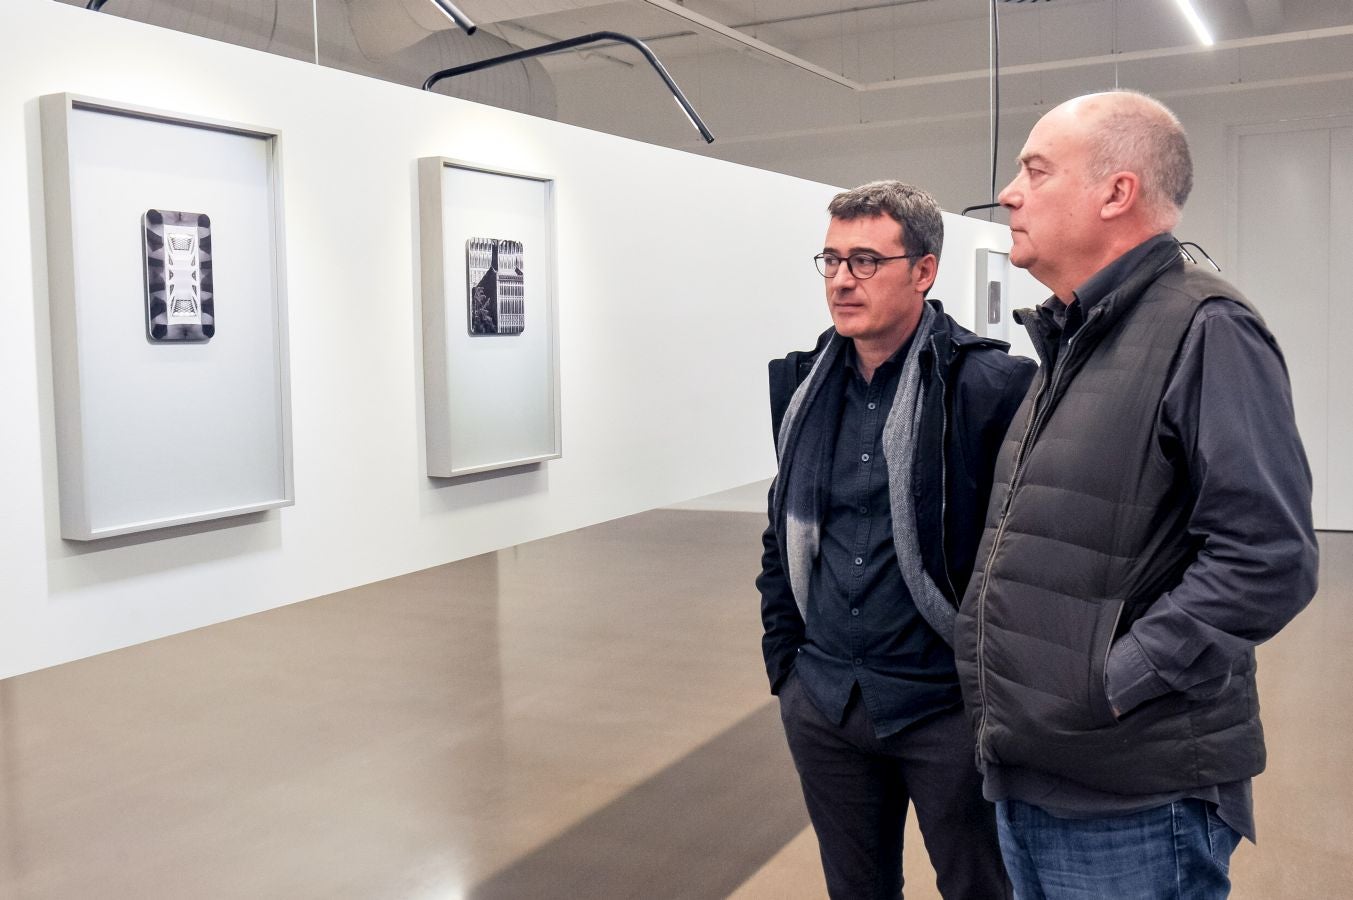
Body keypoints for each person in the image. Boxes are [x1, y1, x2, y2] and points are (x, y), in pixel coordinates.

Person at [953, 90, 1320, 898]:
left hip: (1132, 797)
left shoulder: (1204, 328)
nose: (1008, 191)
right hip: (1036, 766)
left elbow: (1269, 558)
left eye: (1035, 169)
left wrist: (1109, 682)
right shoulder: (1074, 338)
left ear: (1115, 192)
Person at [757, 180, 1036, 899]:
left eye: (865, 261)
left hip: (942, 708)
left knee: (979, 888)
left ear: (922, 271)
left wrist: (991, 691)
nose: (843, 280)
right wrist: (786, 669)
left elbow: (1023, 556)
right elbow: (778, 533)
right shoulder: (802, 387)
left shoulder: (989, 386)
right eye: (831, 259)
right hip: (825, 702)